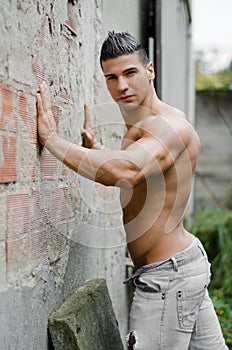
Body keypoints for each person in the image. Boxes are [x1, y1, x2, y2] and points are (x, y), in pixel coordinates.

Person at [37, 31, 228, 350]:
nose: (121, 85)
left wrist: (52, 139)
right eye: (111, 77)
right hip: (178, 269)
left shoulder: (170, 126)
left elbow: (126, 170)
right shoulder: (141, 126)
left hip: (168, 278)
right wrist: (97, 149)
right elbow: (142, 182)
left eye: (130, 73)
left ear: (150, 70)